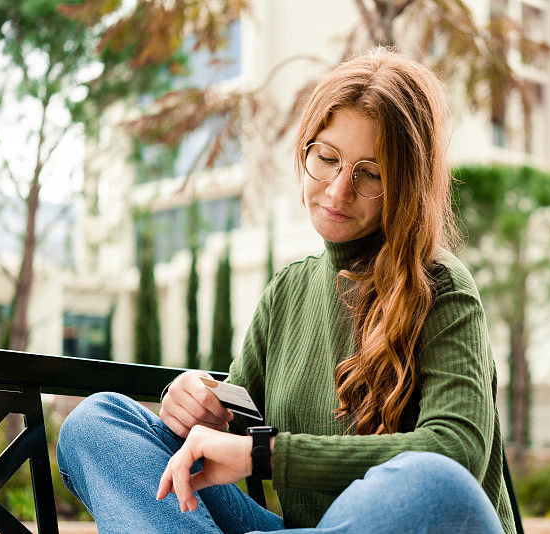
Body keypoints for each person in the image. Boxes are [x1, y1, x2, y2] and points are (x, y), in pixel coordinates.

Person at [57, 47, 515, 533]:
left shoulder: (441, 287)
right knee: (97, 423)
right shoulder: (287, 292)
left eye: (371, 174)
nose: (339, 189)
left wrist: (267, 454)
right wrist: (192, 402)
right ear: (306, 152)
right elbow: (228, 418)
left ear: (407, 185)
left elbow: (457, 450)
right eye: (328, 159)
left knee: (432, 482)